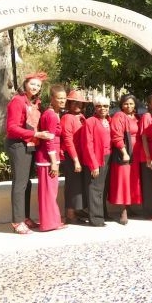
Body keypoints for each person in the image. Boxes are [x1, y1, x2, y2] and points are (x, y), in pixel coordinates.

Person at [5, 71, 53, 234]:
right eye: (32, 84)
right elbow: (12, 128)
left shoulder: (36, 103)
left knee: (27, 183)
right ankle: (17, 222)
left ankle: (24, 217)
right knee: (20, 183)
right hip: (18, 145)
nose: (35, 87)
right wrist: (36, 134)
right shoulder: (17, 101)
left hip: (31, 144)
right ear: (25, 84)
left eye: (38, 85)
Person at [35, 84, 67, 231]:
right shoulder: (51, 115)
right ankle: (48, 224)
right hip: (47, 159)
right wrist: (54, 162)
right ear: (52, 99)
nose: (62, 101)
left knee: (51, 191)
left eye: (64, 98)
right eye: (59, 98)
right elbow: (49, 140)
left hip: (50, 157)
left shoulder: (53, 113)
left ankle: (53, 221)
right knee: (48, 192)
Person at [108, 94, 142, 225]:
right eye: (126, 104)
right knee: (123, 181)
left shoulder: (137, 117)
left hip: (136, 154)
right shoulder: (119, 116)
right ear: (121, 105)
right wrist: (124, 152)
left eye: (131, 103)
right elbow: (116, 136)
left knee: (132, 181)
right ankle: (123, 211)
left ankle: (130, 206)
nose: (128, 106)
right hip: (124, 153)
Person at [81, 95, 112, 227]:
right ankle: (96, 219)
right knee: (95, 189)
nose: (102, 108)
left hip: (108, 157)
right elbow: (87, 144)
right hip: (96, 158)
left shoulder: (109, 121)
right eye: (99, 106)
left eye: (105, 106)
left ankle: (103, 213)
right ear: (95, 108)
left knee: (103, 188)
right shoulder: (90, 122)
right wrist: (93, 165)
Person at [61, 90, 90, 224]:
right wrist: (76, 160)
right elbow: (68, 141)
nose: (77, 105)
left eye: (80, 103)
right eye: (74, 102)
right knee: (72, 185)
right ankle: (70, 214)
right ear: (69, 104)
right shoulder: (67, 118)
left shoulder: (82, 117)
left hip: (81, 156)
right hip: (72, 157)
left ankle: (78, 209)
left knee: (79, 185)